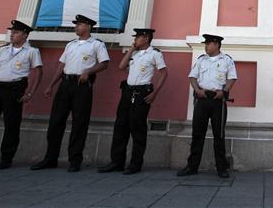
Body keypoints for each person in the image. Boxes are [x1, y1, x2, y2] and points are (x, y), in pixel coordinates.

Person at [31, 14, 109, 172]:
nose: (76, 27)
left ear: (88, 26)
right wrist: (51, 84)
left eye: (79, 24)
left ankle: (75, 160)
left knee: (79, 123)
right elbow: (61, 65)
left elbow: (104, 63)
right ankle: (50, 158)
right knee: (55, 122)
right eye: (76, 24)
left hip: (82, 85)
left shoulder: (96, 44)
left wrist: (89, 71)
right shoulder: (71, 45)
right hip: (65, 84)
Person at [98, 28, 167, 175]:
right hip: (128, 92)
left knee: (137, 128)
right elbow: (121, 67)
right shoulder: (134, 53)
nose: (135, 40)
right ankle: (117, 161)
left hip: (142, 93)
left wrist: (155, 93)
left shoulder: (155, 54)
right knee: (120, 126)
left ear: (146, 38)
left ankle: (135, 163)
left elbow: (164, 73)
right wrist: (130, 50)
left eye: (138, 37)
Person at [0, 20, 42, 169]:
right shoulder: (3, 49)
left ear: (25, 35)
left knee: (11, 125)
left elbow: (38, 72)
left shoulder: (32, 51)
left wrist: (30, 92)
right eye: (11, 32)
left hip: (14, 89)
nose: (12, 35)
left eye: (16, 32)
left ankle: (6, 158)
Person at [177, 34, 237, 179]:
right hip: (202, 98)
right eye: (206, 44)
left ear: (216, 45)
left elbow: (232, 78)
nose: (206, 46)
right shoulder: (201, 60)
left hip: (218, 100)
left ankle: (221, 168)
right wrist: (197, 90)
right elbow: (192, 76)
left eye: (208, 43)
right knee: (197, 134)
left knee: (219, 135)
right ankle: (192, 166)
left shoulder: (227, 60)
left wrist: (225, 92)